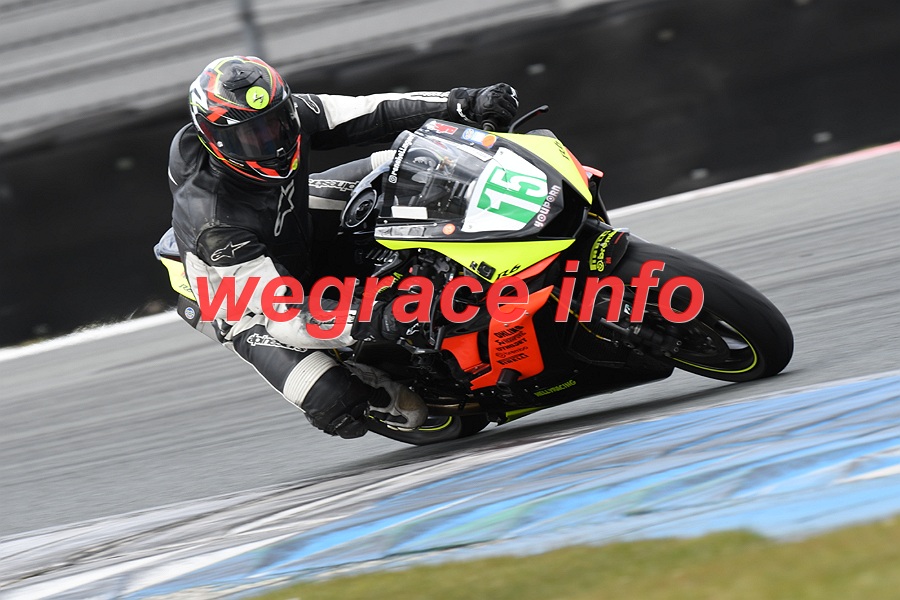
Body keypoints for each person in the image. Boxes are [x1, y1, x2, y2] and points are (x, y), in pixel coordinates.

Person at [156, 55, 518, 439]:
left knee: (409, 164)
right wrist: (380, 318)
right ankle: (364, 374)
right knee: (341, 404)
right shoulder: (214, 222)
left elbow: (369, 111)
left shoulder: (282, 114)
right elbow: (284, 309)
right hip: (245, 301)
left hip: (294, 216)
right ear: (215, 141)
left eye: (276, 124)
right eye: (251, 137)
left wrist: (462, 102)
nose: (271, 141)